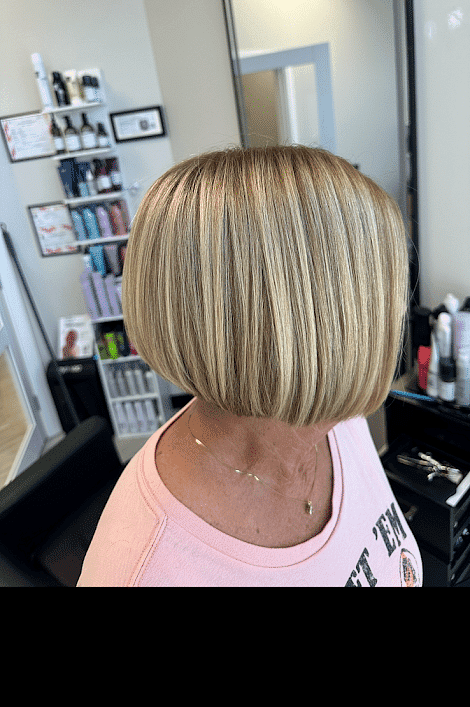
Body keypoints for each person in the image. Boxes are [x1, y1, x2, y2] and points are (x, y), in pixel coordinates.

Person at [77, 145, 422, 587]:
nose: (394, 318)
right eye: (381, 296)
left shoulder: (335, 421)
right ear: (315, 328)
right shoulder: (147, 572)